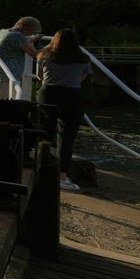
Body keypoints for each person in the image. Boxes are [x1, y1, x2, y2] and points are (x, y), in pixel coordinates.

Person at [38, 28, 91, 192]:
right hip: (71, 96)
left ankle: (41, 168)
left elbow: (40, 77)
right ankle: (61, 176)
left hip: (48, 94)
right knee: (67, 139)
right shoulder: (83, 58)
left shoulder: (43, 55)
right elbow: (82, 77)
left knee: (44, 134)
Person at [0, 16, 42, 99]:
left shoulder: (1, 32)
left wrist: (32, 40)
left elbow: (14, 44)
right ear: (27, 28)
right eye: (33, 31)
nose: (32, 34)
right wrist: (52, 46)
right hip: (4, 74)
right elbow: (36, 54)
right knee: (4, 102)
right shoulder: (17, 36)